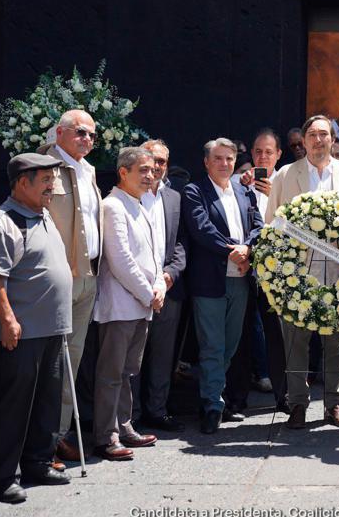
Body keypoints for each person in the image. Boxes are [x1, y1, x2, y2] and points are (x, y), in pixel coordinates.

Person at [0, 153, 73, 503]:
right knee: (14, 407)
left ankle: (37, 462)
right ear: (22, 183)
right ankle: (3, 478)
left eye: (54, 179)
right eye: (46, 180)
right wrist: (8, 320)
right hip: (23, 332)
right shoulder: (3, 223)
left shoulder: (42, 216)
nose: (53, 186)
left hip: (51, 329)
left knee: (46, 404)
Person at [266, 115, 339, 429]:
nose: (319, 140)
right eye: (313, 134)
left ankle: (334, 405)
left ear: (333, 139)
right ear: (304, 140)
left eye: (325, 134)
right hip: (297, 275)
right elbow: (272, 226)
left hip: (338, 274)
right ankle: (297, 405)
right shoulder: (285, 175)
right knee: (296, 344)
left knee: (337, 344)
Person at [181, 138, 264, 434]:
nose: (225, 164)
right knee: (212, 346)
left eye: (229, 158)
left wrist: (249, 248)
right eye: (218, 158)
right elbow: (202, 229)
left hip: (240, 279)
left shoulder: (244, 190)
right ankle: (212, 405)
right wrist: (236, 250)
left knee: (230, 345)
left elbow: (258, 225)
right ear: (206, 162)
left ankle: (215, 395)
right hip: (210, 281)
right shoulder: (194, 191)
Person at [39, 110, 103, 465]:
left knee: (72, 361)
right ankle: (43, 441)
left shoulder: (88, 169)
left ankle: (57, 435)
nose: (88, 140)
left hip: (89, 275)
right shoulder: (43, 165)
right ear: (60, 132)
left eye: (92, 135)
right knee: (53, 361)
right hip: (59, 277)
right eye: (80, 132)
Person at [92, 147, 164, 460]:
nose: (151, 175)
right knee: (111, 373)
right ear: (124, 172)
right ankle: (106, 437)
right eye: (143, 170)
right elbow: (120, 260)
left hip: (142, 304)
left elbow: (153, 255)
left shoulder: (139, 204)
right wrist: (149, 293)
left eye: (152, 170)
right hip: (120, 305)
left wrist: (159, 284)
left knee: (126, 372)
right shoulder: (113, 206)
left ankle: (124, 426)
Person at [227, 128, 288, 414]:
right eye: (258, 151)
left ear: (278, 155)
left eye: (269, 151)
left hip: (276, 274)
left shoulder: (286, 185)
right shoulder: (239, 185)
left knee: (276, 336)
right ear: (251, 154)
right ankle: (236, 398)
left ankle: (284, 396)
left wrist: (275, 196)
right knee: (240, 336)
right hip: (244, 270)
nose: (263, 156)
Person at [131, 139, 187, 433]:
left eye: (162, 162)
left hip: (168, 288)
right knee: (133, 356)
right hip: (134, 290)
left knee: (162, 355)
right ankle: (131, 414)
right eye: (151, 160)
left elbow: (180, 243)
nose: (156, 167)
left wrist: (170, 274)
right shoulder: (129, 196)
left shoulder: (175, 197)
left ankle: (157, 410)